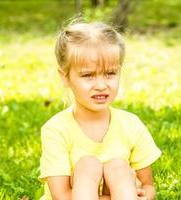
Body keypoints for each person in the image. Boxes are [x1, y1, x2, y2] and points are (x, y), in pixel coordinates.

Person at [39, 21, 161, 200]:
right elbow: (61, 196)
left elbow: (147, 186)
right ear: (65, 77)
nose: (101, 85)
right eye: (88, 75)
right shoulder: (56, 130)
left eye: (110, 73)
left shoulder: (131, 125)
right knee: (88, 165)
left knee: (118, 168)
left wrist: (144, 195)